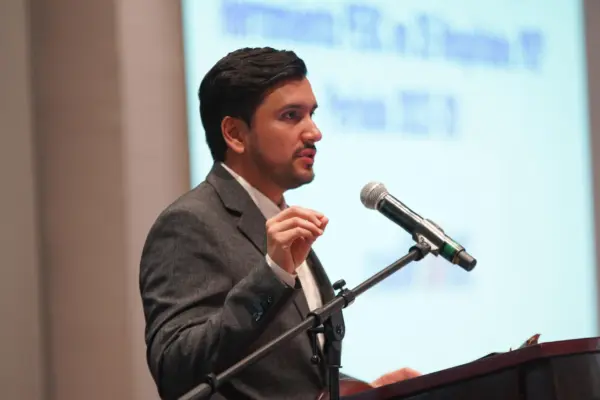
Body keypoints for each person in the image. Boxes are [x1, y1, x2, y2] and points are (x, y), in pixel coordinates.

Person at [139, 47, 420, 400]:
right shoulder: (188, 224)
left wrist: (363, 392)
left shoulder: (280, 219)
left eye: (311, 114)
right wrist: (271, 276)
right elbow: (176, 369)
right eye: (291, 116)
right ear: (235, 134)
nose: (314, 132)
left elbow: (290, 375)